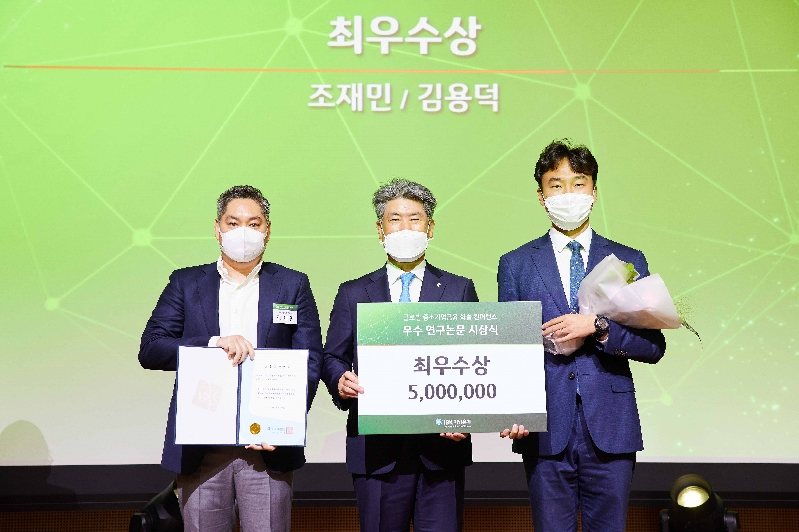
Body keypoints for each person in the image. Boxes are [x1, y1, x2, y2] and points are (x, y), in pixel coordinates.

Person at [497, 140, 667, 532]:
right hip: (544, 426)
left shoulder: (626, 260)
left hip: (610, 424)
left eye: (578, 183)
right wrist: (512, 410)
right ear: (541, 195)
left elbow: (653, 346)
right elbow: (510, 348)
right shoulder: (516, 263)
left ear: (594, 191)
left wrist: (598, 327)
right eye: (556, 185)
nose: (568, 194)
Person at [139, 185, 323, 532]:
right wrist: (213, 343)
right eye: (233, 222)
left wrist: (284, 424)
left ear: (268, 230)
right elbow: (151, 348)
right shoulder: (186, 282)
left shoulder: (292, 284)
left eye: (254, 224)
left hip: (267, 449)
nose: (243, 232)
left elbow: (310, 361)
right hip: (202, 447)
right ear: (217, 227)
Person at [321, 178, 478, 532]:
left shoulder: (459, 289)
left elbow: (475, 362)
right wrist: (340, 380)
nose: (405, 228)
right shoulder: (353, 292)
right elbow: (332, 357)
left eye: (414, 219)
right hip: (377, 452)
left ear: (430, 227)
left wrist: (465, 417)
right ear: (380, 230)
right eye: (395, 220)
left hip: (442, 451)